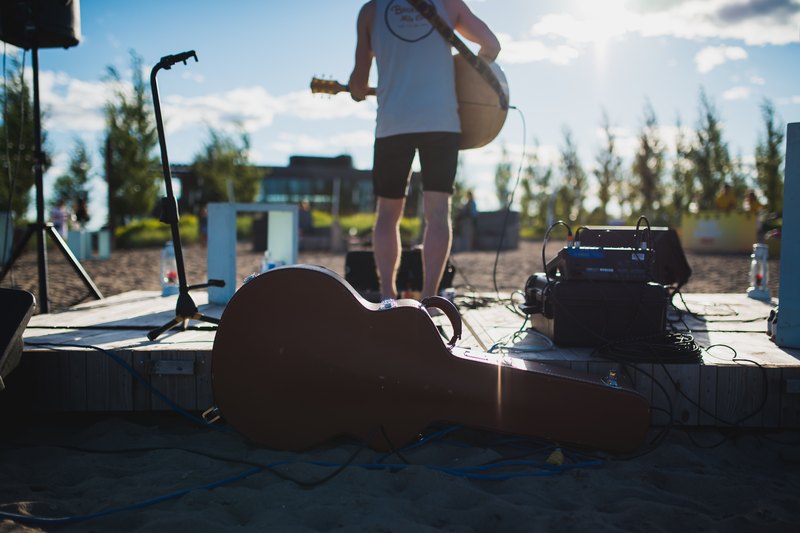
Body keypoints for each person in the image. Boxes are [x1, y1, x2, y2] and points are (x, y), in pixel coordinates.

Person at [348, 0, 500, 303]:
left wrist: (360, 88)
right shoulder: (447, 3)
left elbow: (357, 85)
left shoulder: (370, 11)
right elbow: (491, 45)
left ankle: (388, 298)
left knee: (387, 215)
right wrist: (466, 81)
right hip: (441, 122)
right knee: (438, 213)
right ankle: (430, 299)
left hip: (393, 124)